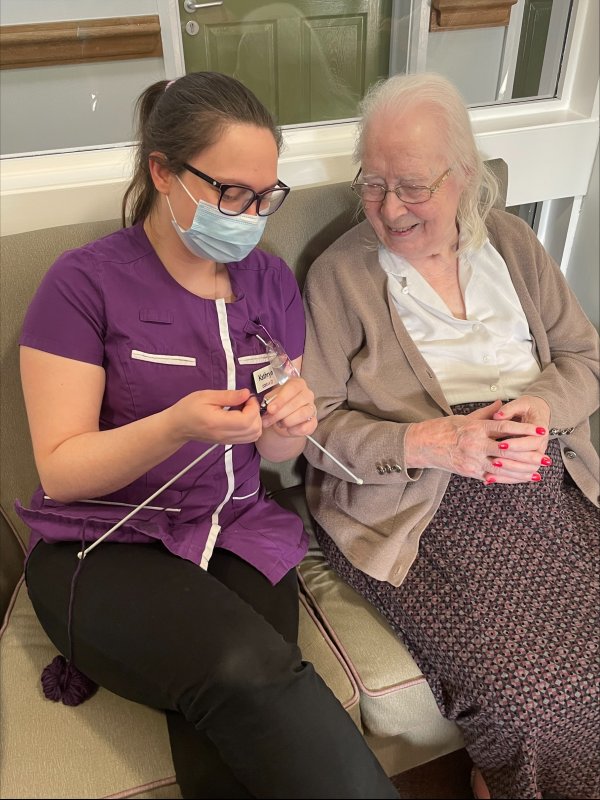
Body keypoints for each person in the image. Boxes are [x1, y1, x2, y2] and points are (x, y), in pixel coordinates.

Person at [16, 72, 399, 800]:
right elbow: (62, 471)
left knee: (245, 703)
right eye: (231, 193)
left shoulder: (271, 284)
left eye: (265, 196)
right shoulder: (82, 286)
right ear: (163, 171)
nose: (251, 216)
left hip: (235, 528)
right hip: (102, 543)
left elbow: (276, 454)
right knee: (243, 670)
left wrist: (291, 424)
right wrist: (175, 426)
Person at [301, 72, 600, 800]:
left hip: (545, 479)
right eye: (373, 184)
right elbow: (315, 428)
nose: (388, 208)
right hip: (421, 507)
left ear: (463, 175)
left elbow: (583, 358)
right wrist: (428, 443)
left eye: (412, 186)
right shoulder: (340, 277)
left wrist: (539, 407)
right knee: (528, 700)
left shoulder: (514, 243)